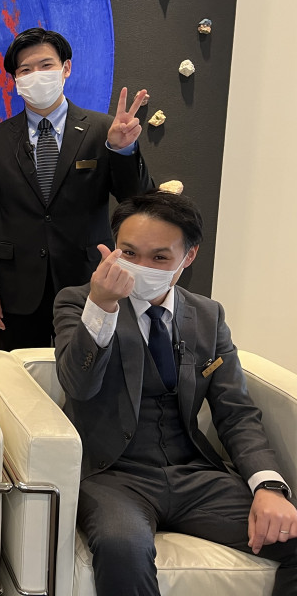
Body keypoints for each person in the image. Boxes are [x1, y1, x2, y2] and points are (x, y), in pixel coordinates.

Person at [54, 190, 297, 595]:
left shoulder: (207, 315)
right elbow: (79, 385)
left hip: (194, 474)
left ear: (189, 256)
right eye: (129, 253)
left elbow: (235, 411)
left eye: (159, 257)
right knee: (123, 547)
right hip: (112, 474)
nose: (142, 267)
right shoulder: (79, 301)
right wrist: (102, 306)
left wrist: (268, 486)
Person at [0, 27, 153, 350]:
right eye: (25, 70)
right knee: (20, 376)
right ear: (15, 80)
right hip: (17, 289)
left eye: (46, 65)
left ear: (65, 68)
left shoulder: (103, 130)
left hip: (89, 282)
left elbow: (137, 202)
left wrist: (122, 151)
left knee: (89, 370)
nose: (36, 75)